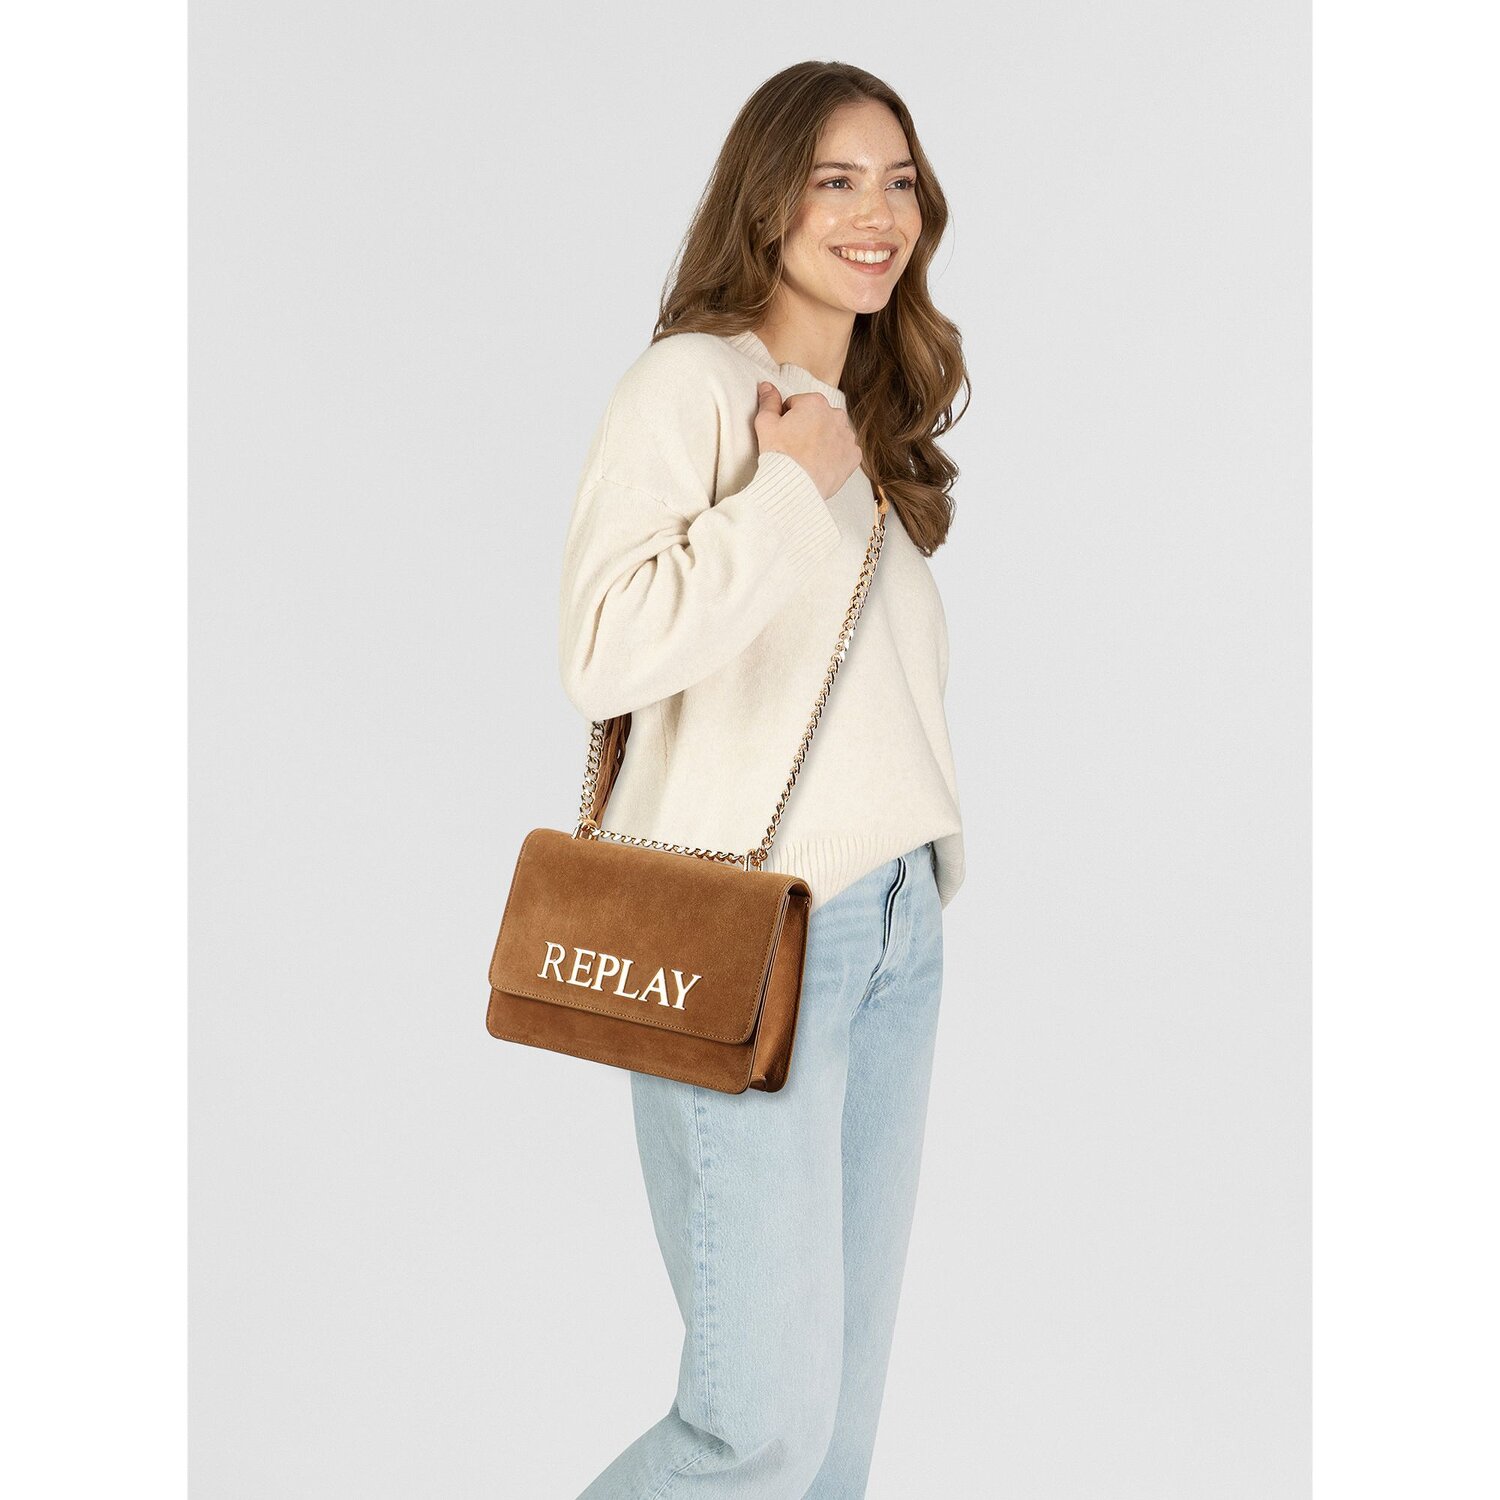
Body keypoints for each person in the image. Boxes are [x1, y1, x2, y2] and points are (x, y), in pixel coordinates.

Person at [558, 60, 969, 1499]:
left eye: (899, 182)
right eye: (835, 179)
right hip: (750, 937)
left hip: (891, 930)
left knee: (831, 1447)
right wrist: (788, 488)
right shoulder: (693, 386)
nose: (877, 214)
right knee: (757, 1431)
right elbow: (604, 648)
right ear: (767, 198)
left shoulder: (853, 418)